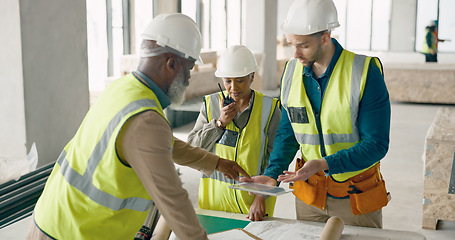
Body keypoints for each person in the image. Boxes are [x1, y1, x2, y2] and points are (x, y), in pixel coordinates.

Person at [27, 13, 250, 240]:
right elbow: (172, 200)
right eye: (189, 68)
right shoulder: (145, 120)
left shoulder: (124, 89)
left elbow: (163, 144)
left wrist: (216, 162)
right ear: (171, 64)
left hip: (52, 220)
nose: (189, 78)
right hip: (77, 232)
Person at [243, 0, 391, 228]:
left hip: (355, 196)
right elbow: (288, 132)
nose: (295, 53)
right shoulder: (291, 72)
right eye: (292, 44)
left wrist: (323, 163)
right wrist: (272, 174)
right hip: (310, 197)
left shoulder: (364, 72)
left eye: (303, 45)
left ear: (325, 37)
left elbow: (376, 145)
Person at [187, 45, 281, 221]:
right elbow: (192, 148)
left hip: (253, 205)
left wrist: (262, 195)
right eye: (227, 81)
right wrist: (219, 123)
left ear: (252, 76)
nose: (233, 87)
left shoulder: (269, 108)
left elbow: (275, 157)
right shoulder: (210, 105)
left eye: (239, 80)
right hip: (213, 202)